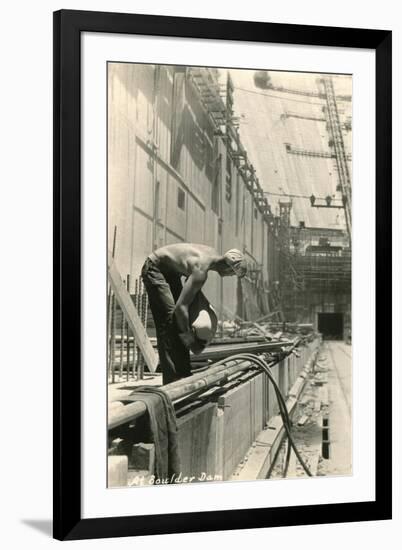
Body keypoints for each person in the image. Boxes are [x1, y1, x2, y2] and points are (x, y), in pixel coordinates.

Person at [141, 243, 247, 384]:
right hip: (155, 268)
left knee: (180, 322)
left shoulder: (212, 254)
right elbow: (181, 308)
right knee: (170, 323)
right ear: (228, 266)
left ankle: (184, 375)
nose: (230, 276)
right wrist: (189, 338)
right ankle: (172, 383)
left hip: (171, 272)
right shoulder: (201, 271)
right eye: (232, 273)